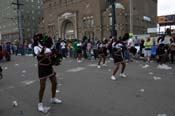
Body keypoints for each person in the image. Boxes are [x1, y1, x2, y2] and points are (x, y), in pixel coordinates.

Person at [33, 34, 62, 113]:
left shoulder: (47, 47)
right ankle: (40, 104)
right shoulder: (36, 47)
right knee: (42, 86)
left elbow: (52, 55)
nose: (42, 40)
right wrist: (44, 48)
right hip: (42, 68)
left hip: (49, 67)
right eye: (40, 39)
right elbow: (38, 55)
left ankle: (53, 98)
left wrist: (56, 59)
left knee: (55, 83)